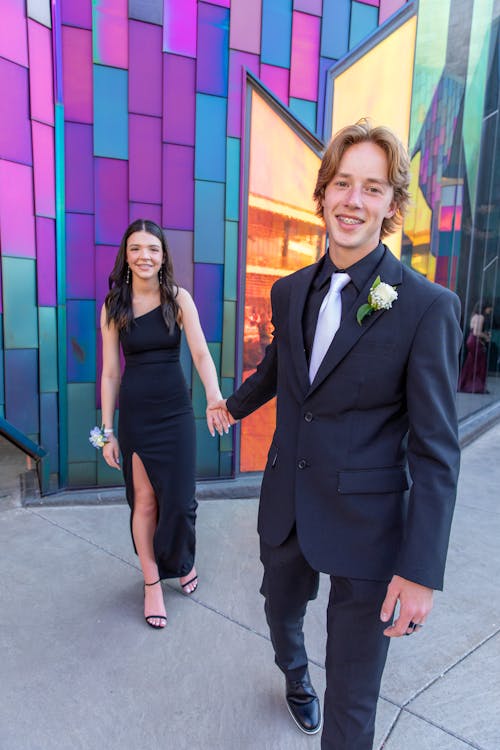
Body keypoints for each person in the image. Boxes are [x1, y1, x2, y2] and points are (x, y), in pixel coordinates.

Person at [210, 121, 462, 748]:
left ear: (392, 206)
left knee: (353, 706)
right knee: (280, 615)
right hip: (288, 510)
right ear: (321, 195)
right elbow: (278, 370)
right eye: (342, 184)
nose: (354, 200)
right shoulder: (289, 290)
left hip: (371, 533)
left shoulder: (427, 307)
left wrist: (421, 569)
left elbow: (436, 452)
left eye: (371, 188)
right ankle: (296, 679)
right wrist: (232, 406)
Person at [100, 219, 228, 629]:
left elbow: (201, 355)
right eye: (136, 248)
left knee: (181, 500)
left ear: (163, 255)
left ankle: (182, 560)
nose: (144, 256)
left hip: (175, 414)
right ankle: (153, 581)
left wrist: (213, 396)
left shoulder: (178, 299)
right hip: (136, 415)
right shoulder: (114, 305)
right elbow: (109, 374)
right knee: (146, 501)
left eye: (152, 249)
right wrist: (107, 432)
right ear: (126, 255)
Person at [458, 301, 491, 393]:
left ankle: (466, 385)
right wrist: (486, 336)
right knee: (479, 364)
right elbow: (477, 332)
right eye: (489, 308)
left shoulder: (474, 316)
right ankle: (475, 386)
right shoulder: (481, 317)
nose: (490, 310)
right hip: (475, 341)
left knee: (471, 363)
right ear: (485, 307)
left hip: (471, 340)